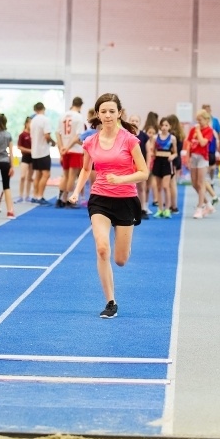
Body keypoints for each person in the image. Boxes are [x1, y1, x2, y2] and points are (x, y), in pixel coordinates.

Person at [68, 93, 148, 319]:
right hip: (100, 199)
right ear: (98, 114)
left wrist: (121, 179)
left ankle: (123, 248)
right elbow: (86, 169)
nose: (107, 115)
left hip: (125, 199)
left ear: (119, 113)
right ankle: (111, 302)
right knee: (102, 248)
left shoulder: (129, 140)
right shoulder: (90, 141)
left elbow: (143, 172)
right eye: (103, 111)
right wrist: (75, 192)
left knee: (120, 260)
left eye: (112, 111)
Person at [56, 96, 84, 208]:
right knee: (72, 176)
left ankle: (60, 198)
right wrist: (67, 147)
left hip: (65, 149)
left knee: (65, 175)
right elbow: (78, 136)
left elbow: (57, 133)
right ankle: (68, 199)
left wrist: (62, 148)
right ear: (80, 105)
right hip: (74, 150)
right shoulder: (79, 117)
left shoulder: (62, 116)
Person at [187, 110, 216, 219]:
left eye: (200, 120)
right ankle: (208, 205)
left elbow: (203, 142)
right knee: (194, 184)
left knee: (200, 183)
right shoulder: (193, 129)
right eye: (197, 120)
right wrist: (187, 157)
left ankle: (200, 207)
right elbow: (189, 143)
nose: (198, 122)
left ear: (207, 120)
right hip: (193, 156)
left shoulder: (209, 130)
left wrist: (198, 131)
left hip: (203, 158)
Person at [30, 102, 55, 205]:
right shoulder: (45, 119)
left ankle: (35, 195)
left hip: (34, 151)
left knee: (38, 174)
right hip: (43, 151)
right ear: (43, 108)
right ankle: (40, 196)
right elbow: (47, 136)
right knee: (46, 174)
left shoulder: (33, 121)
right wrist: (53, 142)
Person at [151, 118, 177, 218]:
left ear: (169, 127)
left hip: (167, 162)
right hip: (158, 162)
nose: (164, 127)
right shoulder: (155, 137)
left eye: (166, 125)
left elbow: (175, 152)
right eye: (162, 125)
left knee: (166, 186)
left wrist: (172, 156)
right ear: (160, 126)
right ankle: (160, 209)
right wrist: (153, 154)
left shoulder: (172, 138)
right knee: (158, 187)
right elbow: (153, 150)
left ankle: (167, 209)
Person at [128, 115, 150, 220]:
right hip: (129, 166)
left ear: (139, 123)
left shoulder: (144, 136)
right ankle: (130, 209)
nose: (134, 122)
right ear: (129, 121)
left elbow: (149, 152)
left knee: (141, 188)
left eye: (136, 121)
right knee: (129, 188)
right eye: (132, 120)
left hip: (140, 165)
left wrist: (148, 166)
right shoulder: (126, 135)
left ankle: (143, 208)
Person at [166, 114, 184, 215]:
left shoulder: (173, 135)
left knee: (171, 184)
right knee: (173, 184)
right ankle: (173, 204)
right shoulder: (180, 133)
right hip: (178, 159)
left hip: (172, 160)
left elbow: (172, 149)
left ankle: (174, 205)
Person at [15, 116, 33, 203]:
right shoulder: (22, 135)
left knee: (29, 177)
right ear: (26, 124)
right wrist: (29, 150)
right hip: (25, 157)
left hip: (33, 158)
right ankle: (20, 195)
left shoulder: (34, 135)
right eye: (30, 123)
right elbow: (19, 147)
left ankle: (28, 195)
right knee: (23, 176)